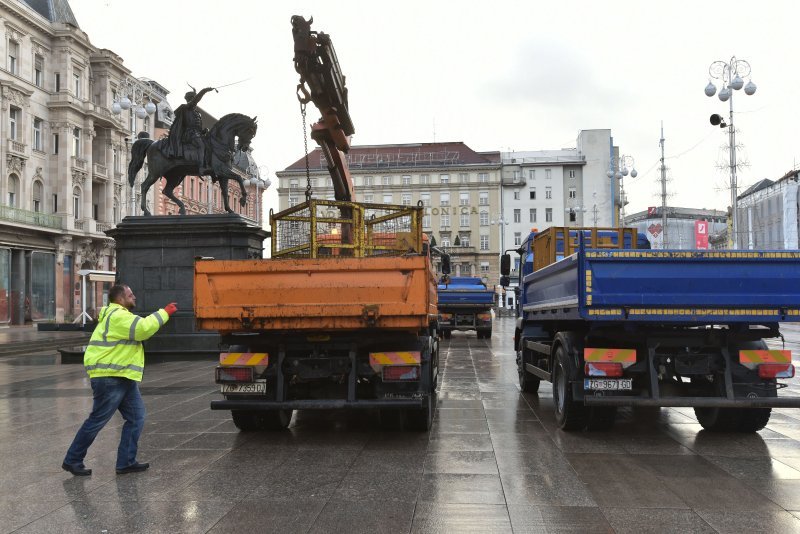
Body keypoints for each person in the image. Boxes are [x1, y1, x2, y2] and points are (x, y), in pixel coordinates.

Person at [62, 284, 177, 476]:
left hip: (122, 376)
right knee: (98, 419)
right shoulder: (118, 316)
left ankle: (126, 462)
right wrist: (164, 313)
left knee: (136, 417)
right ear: (120, 299)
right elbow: (143, 329)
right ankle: (72, 459)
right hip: (110, 377)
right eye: (131, 295)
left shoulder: (119, 315)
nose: (134, 297)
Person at [165, 85, 216, 176]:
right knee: (201, 146)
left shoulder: (197, 112)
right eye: (194, 99)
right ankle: (201, 167)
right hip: (189, 134)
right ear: (190, 99)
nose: (196, 102)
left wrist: (203, 131)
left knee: (210, 144)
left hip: (197, 134)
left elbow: (197, 127)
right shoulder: (186, 107)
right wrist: (205, 90)